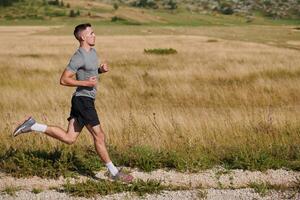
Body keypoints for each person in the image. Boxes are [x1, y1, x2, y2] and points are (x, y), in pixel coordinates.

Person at [13, 23, 133, 183]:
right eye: (91, 33)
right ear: (83, 37)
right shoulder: (79, 56)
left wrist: (99, 71)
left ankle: (33, 125)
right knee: (99, 135)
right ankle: (114, 173)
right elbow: (63, 80)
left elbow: (88, 73)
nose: (94, 35)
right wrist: (86, 84)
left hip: (83, 100)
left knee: (69, 138)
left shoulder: (93, 52)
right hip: (83, 100)